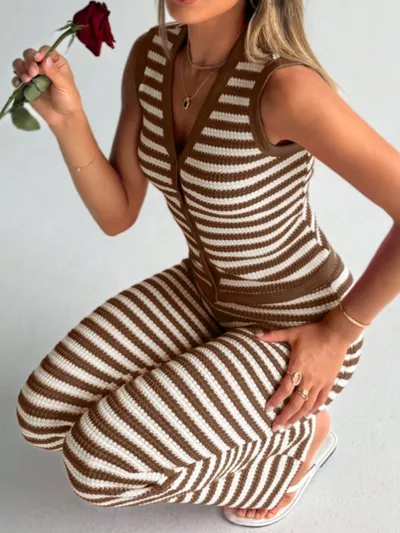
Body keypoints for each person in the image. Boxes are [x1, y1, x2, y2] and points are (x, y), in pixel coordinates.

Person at [12, 0, 400, 527]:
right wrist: (67, 119)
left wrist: (338, 334)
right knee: (40, 414)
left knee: (95, 466)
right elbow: (118, 213)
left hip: (297, 325)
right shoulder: (151, 56)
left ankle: (297, 447)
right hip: (202, 292)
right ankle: (228, 400)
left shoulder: (286, 89)